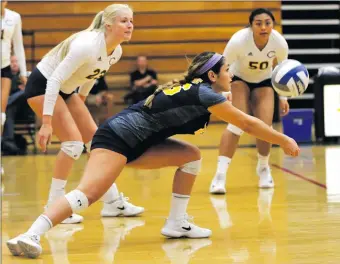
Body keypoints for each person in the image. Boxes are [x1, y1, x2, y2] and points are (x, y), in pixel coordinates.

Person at [7, 51, 300, 258]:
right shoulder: (205, 94)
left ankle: (176, 223)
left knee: (191, 156)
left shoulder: (200, 91)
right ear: (212, 75)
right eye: (226, 71)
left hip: (139, 142)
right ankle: (30, 234)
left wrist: (228, 95)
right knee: (88, 194)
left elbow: (217, 104)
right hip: (116, 138)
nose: (231, 75)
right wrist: (284, 138)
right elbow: (247, 123)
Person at [20, 4, 143, 224]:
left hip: (67, 91)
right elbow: (55, 80)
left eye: (131, 21)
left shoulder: (116, 51)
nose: (130, 25)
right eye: (124, 21)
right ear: (108, 25)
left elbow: (92, 76)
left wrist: (80, 105)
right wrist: (46, 123)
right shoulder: (86, 45)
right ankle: (54, 206)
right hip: (43, 86)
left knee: (99, 143)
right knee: (73, 145)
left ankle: (112, 201)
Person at [210, 8, 290, 194]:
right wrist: (224, 92)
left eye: (267, 23)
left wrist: (284, 97)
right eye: (258, 23)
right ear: (251, 25)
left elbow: (283, 70)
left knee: (264, 126)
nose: (263, 27)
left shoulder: (279, 43)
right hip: (238, 79)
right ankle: (220, 175)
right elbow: (223, 66)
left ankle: (263, 168)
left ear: (273, 25)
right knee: (236, 124)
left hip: (264, 81)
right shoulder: (239, 40)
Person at [1, 1, 27, 173]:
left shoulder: (14, 17)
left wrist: (23, 73)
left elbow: (18, 46)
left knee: (1, 116)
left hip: (4, 69)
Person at [2, 55, 30, 155]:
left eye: (16, 61)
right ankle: (8, 142)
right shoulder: (4, 78)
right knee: (9, 109)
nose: (14, 64)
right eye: (12, 61)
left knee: (22, 94)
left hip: (24, 112)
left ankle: (7, 142)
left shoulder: (26, 77)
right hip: (9, 112)